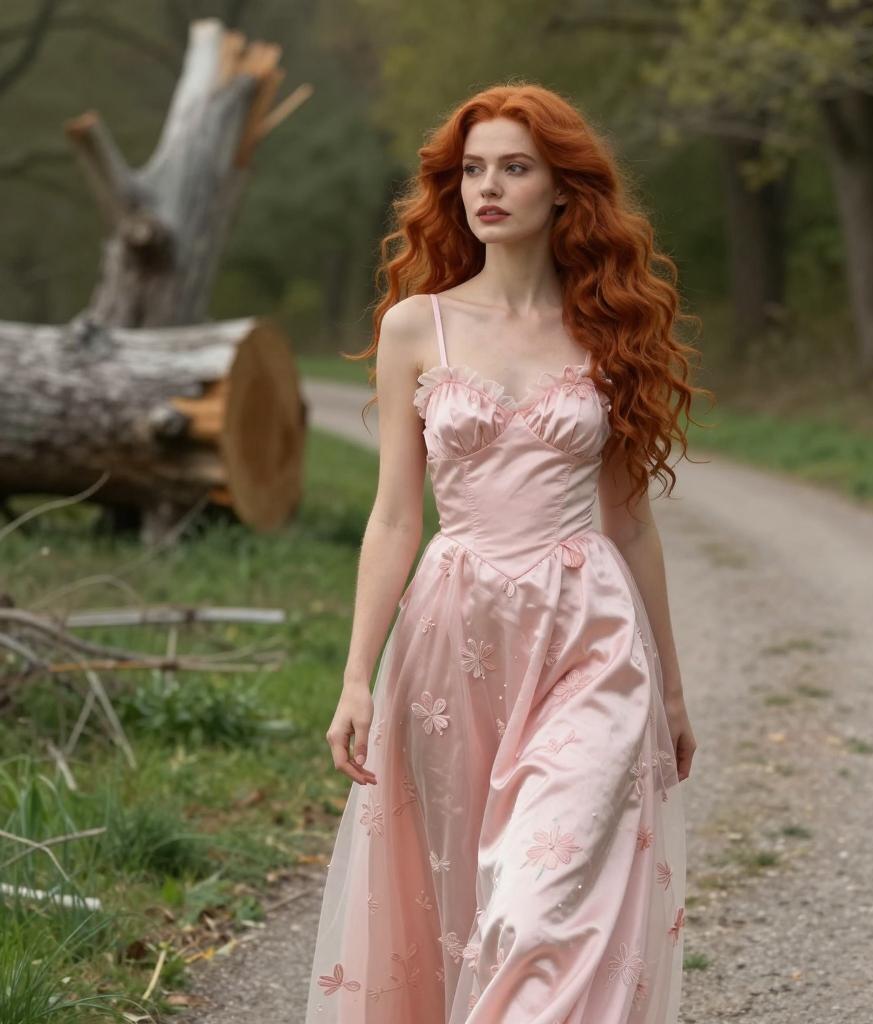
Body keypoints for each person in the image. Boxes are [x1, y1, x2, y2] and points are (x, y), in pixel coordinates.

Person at [303, 82, 708, 1023]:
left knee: (538, 904)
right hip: (454, 637)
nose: (487, 188)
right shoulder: (418, 325)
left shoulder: (608, 327)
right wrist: (356, 677)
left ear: (563, 187)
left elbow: (630, 523)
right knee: (465, 907)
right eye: (473, 170)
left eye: (514, 168)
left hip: (588, 638)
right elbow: (394, 518)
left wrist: (673, 693)